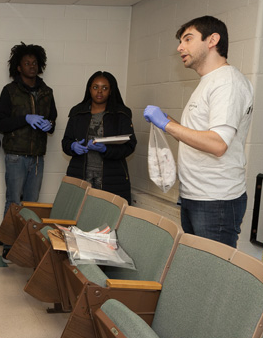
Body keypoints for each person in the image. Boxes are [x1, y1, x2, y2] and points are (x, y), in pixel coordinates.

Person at [144, 15, 253, 248]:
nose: (180, 47)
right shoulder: (208, 81)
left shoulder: (227, 82)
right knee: (197, 269)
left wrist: (167, 125)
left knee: (211, 276)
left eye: (188, 39)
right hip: (195, 195)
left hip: (216, 201)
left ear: (212, 40)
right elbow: (197, 133)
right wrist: (166, 120)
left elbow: (217, 144)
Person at [0, 42, 57, 260]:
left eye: (34, 63)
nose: (32, 66)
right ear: (19, 67)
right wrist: (24, 119)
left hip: (38, 156)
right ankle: (8, 245)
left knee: (32, 203)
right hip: (15, 155)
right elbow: (1, 123)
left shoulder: (47, 92)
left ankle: (28, 247)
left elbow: (53, 118)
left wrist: (50, 125)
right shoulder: (10, 91)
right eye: (27, 63)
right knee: (14, 202)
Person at [61, 71, 136, 204]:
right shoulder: (77, 112)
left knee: (107, 218)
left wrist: (106, 150)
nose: (99, 91)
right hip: (81, 175)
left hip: (111, 179)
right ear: (89, 89)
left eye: (104, 88)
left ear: (111, 91)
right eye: (95, 87)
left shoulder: (121, 114)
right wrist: (72, 146)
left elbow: (129, 146)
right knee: (78, 216)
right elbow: (66, 142)